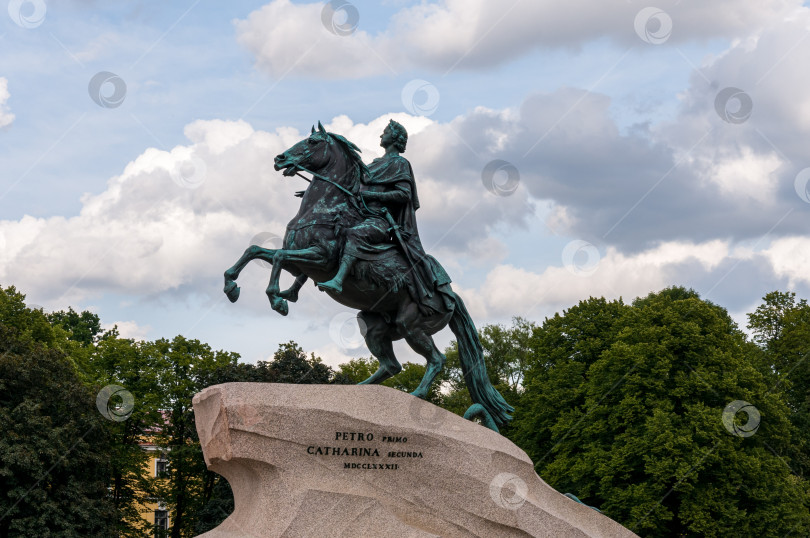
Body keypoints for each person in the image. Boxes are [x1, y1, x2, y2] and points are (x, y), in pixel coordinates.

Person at [317, 120, 450, 311]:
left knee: (354, 234)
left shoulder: (400, 163)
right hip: (361, 214)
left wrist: (373, 195)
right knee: (327, 234)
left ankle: (338, 280)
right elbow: (353, 189)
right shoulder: (375, 164)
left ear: (395, 138)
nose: (381, 135)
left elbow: (404, 194)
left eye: (385, 132)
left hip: (379, 220)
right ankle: (295, 287)